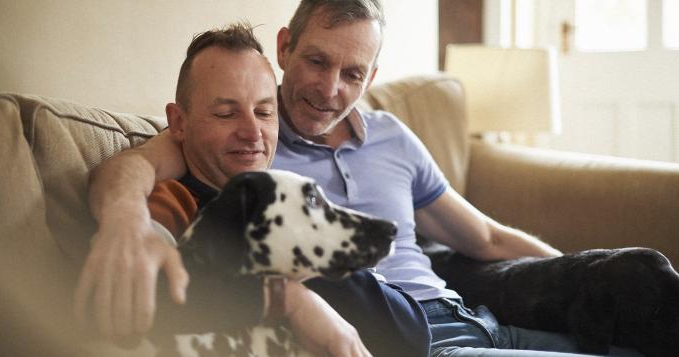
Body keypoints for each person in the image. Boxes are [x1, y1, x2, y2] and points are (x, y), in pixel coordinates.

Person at [76, 1, 641, 356]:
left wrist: (570, 272)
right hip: (418, 341)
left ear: (372, 76)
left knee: (638, 290)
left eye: (352, 74)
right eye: (317, 63)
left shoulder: (388, 134)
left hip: (472, 312)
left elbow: (488, 238)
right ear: (285, 49)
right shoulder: (244, 162)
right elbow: (135, 171)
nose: (329, 91)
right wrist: (125, 222)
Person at [74, 20, 430, 357]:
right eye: (227, 114)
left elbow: (412, 333)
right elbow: (141, 301)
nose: (252, 132)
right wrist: (287, 299)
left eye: (264, 112)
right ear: (179, 123)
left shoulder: (289, 205)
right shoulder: (174, 201)